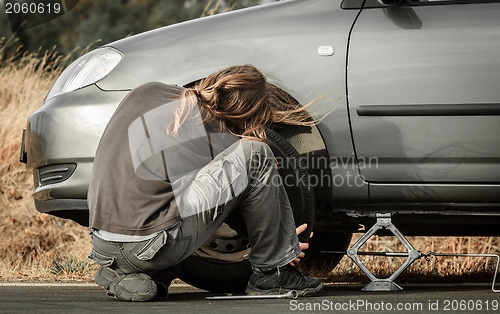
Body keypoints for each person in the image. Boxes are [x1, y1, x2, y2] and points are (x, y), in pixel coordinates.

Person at [87, 64, 324, 302]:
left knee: (167, 198)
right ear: (247, 113)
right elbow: (233, 205)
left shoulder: (147, 91)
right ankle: (273, 274)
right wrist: (282, 245)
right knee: (257, 153)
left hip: (102, 245)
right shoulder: (218, 134)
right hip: (147, 248)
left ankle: (137, 276)